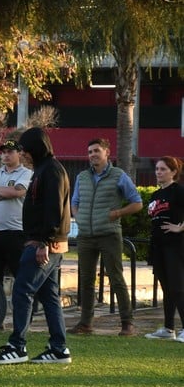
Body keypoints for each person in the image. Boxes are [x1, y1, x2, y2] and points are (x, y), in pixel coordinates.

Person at [0, 127, 72, 365]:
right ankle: (58, 348)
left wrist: (45, 242)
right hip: (45, 241)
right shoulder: (44, 170)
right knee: (49, 296)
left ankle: (17, 345)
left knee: (22, 290)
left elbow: (54, 209)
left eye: (25, 149)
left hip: (44, 243)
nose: (23, 154)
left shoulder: (51, 171)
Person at [68, 138, 143, 337]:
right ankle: (85, 323)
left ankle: (127, 323)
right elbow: (74, 202)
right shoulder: (82, 176)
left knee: (116, 278)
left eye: (96, 151)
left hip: (109, 234)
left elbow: (137, 203)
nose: (92, 154)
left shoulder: (119, 175)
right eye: (90, 151)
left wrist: (118, 213)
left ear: (107, 153)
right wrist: (79, 217)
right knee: (85, 280)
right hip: (86, 236)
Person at [0, 140, 33, 321]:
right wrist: (3, 191)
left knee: (21, 276)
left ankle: (23, 317)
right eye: (4, 152)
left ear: (19, 153)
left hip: (15, 232)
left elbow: (18, 192)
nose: (6, 155)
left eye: (10, 152)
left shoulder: (26, 173)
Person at [145, 156, 184, 342]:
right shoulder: (155, 195)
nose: (159, 172)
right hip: (158, 247)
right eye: (157, 169)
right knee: (167, 288)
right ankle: (169, 329)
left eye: (163, 169)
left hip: (175, 247)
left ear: (173, 172)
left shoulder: (179, 191)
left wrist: (180, 227)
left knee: (178, 287)